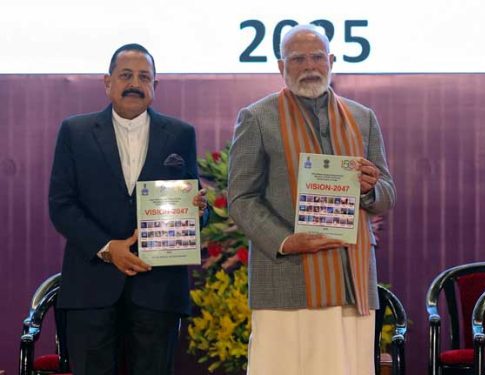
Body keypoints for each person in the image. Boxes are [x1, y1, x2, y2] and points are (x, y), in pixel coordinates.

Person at [227, 24, 395, 375]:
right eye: (298, 58)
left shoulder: (363, 118)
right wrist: (286, 241)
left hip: (351, 283)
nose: (309, 66)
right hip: (285, 281)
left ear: (332, 60)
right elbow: (241, 199)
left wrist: (368, 189)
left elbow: (386, 194)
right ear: (280, 66)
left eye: (317, 56)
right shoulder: (257, 117)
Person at [48, 43, 208, 375]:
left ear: (155, 86)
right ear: (108, 82)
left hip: (158, 289)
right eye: (125, 75)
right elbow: (61, 205)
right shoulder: (75, 132)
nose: (134, 83)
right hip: (92, 286)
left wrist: (198, 212)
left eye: (143, 76)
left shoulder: (181, 134)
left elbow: (193, 208)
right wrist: (108, 249)